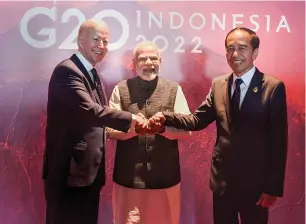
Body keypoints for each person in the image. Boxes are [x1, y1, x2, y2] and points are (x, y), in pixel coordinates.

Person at [150, 27, 288, 224]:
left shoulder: (273, 87)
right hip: (223, 183)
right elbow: (197, 120)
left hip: (256, 186)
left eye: (242, 48)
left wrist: (272, 187)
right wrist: (165, 117)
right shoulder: (219, 84)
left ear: (255, 52)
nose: (235, 54)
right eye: (230, 48)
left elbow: (279, 142)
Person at [42, 19, 145, 224]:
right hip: (69, 175)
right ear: (81, 41)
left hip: (87, 175)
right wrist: (131, 118)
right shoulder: (67, 70)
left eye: (105, 42)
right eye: (96, 39)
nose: (101, 46)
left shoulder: (91, 72)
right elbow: (90, 109)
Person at [107, 41, 192, 224]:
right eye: (142, 58)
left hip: (165, 178)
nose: (148, 63)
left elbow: (187, 130)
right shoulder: (121, 89)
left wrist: (162, 129)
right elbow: (110, 130)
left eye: (153, 58)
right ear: (134, 63)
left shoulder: (173, 89)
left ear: (160, 61)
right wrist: (133, 130)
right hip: (128, 178)